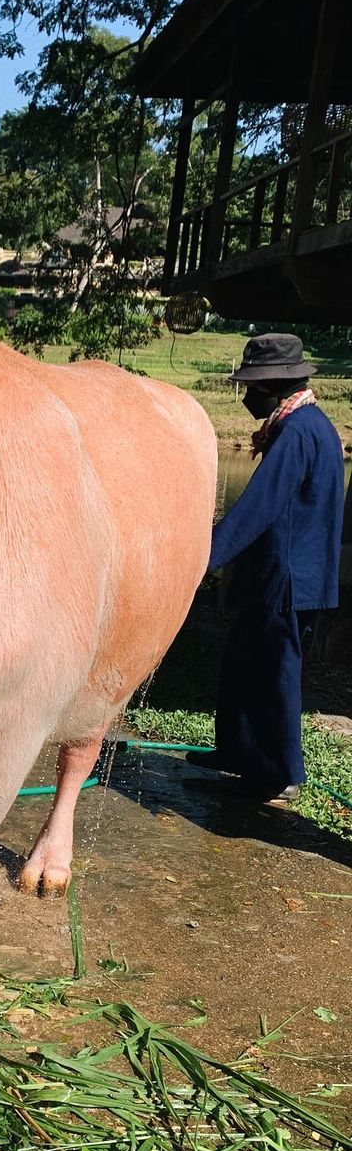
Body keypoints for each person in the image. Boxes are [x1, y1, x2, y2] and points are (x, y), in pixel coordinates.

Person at [186, 332, 344, 802]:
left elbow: (257, 508)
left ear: (274, 385)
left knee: (275, 674)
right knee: (242, 664)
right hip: (288, 575)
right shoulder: (309, 425)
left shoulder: (296, 434)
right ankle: (237, 753)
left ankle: (277, 773)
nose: (248, 395)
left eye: (253, 387)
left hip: (287, 581)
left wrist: (202, 559)